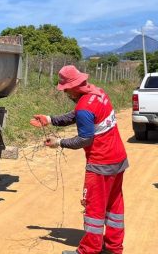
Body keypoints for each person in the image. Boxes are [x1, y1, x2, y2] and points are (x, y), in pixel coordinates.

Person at [30, 65, 128, 254]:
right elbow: (77, 115)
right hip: (118, 159)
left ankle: (89, 250)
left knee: (94, 209)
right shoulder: (98, 93)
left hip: (100, 164)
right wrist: (49, 119)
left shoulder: (84, 107)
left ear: (73, 87)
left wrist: (58, 142)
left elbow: (84, 139)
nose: (65, 93)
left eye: (66, 89)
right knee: (114, 205)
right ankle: (114, 247)